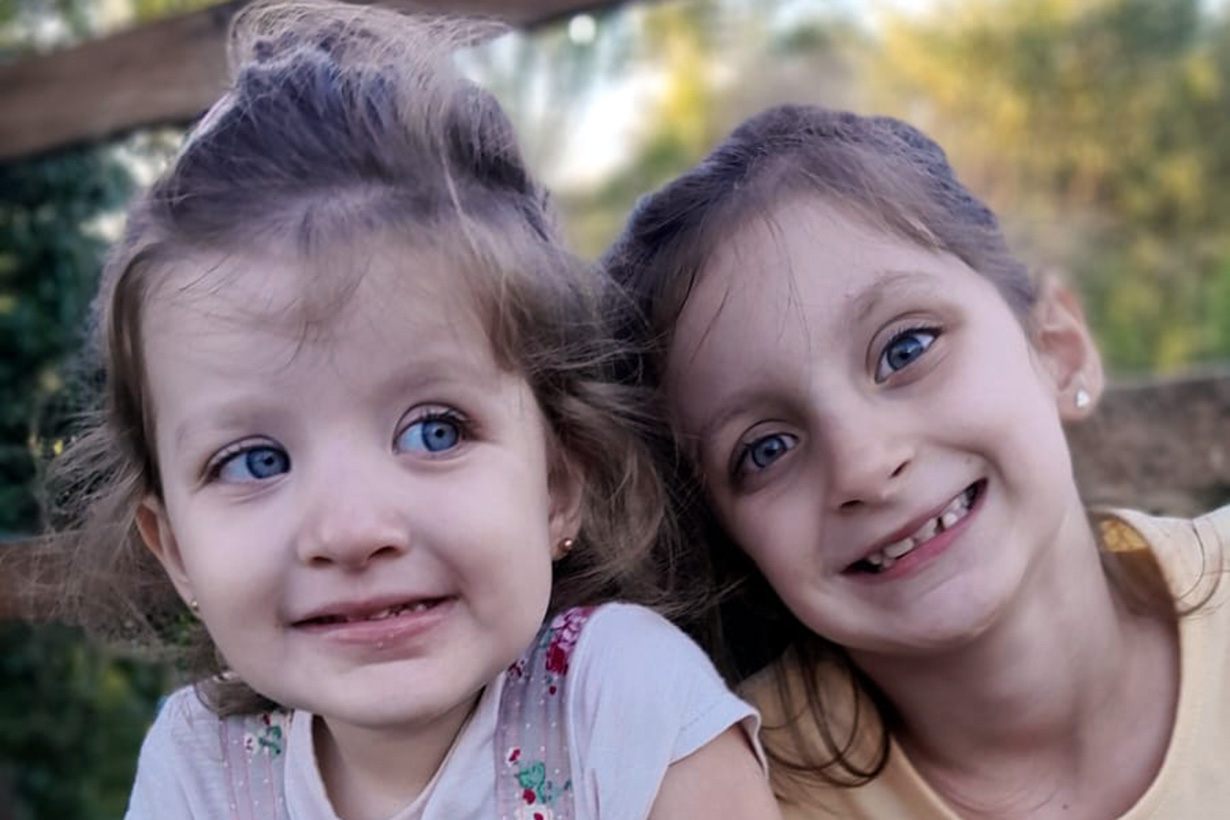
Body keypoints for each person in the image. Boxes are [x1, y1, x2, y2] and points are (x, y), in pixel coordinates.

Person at [41, 3, 778, 818]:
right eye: (255, 460)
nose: (353, 532)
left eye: (435, 431)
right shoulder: (199, 764)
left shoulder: (621, 703)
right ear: (177, 551)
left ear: (558, 486)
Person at [605, 103, 1230, 819]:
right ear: (734, 545)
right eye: (767, 449)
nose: (864, 467)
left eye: (906, 349)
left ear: (1056, 347)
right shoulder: (729, 793)